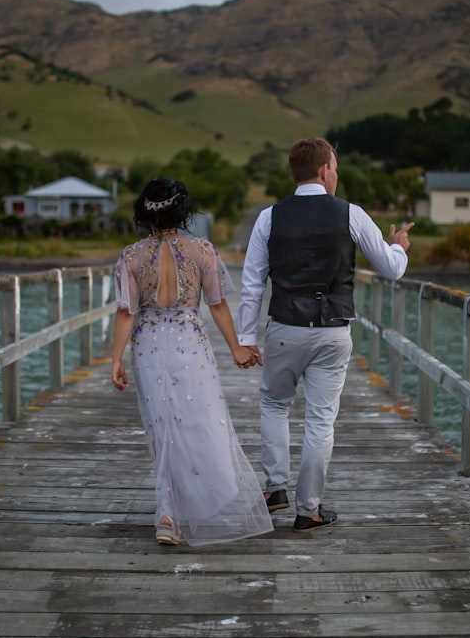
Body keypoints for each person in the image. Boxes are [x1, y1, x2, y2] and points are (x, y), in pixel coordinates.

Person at [237, 137, 413, 532]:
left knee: (274, 405)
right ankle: (308, 509)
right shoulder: (351, 214)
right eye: (334, 167)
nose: (336, 174)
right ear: (323, 171)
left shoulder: (269, 217)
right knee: (320, 421)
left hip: (284, 327)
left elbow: (251, 283)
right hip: (333, 332)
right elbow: (391, 268)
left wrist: (246, 337)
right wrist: (398, 246)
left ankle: (276, 488)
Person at [111, 177, 273, 546]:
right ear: (183, 211)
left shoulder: (132, 257)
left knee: (162, 427)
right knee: (199, 423)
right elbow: (216, 304)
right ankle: (188, 504)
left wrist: (115, 358)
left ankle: (167, 513)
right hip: (190, 345)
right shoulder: (202, 250)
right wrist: (236, 347)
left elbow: (126, 313)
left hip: (149, 345)